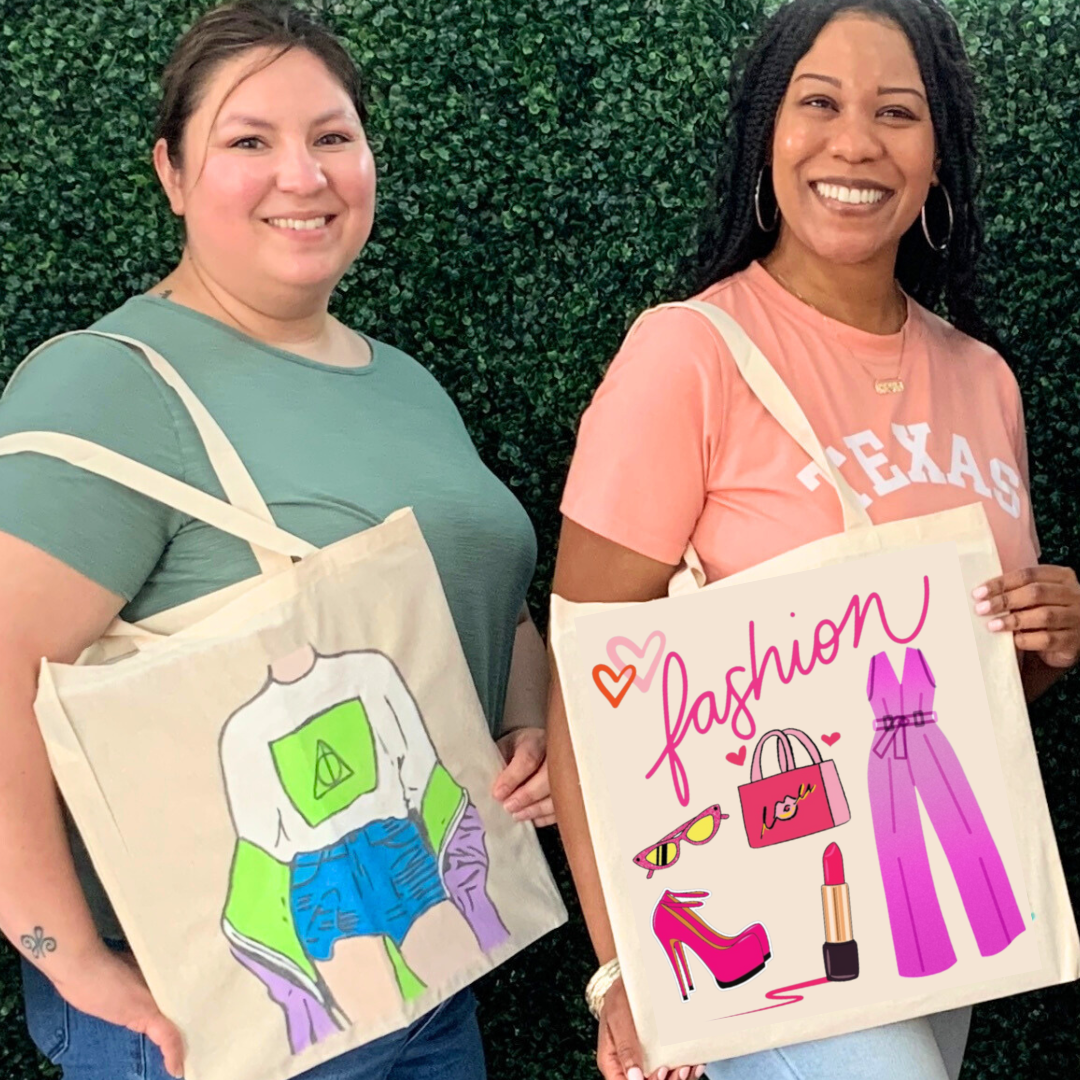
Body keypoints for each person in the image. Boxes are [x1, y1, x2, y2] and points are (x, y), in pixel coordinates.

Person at [0, 3, 555, 1078]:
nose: (302, 175)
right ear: (172, 172)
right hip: (223, 1003)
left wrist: (527, 721)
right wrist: (62, 954)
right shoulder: (108, 384)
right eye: (248, 141)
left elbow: (491, 597)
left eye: (332, 137)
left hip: (427, 964)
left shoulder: (403, 383)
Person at [546, 2, 1080, 1080]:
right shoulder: (686, 355)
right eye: (820, 104)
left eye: (897, 113)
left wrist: (1047, 638)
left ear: (938, 159)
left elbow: (961, 690)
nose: (855, 144)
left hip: (939, 909)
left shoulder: (985, 382)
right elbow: (585, 684)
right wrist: (625, 972)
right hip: (769, 913)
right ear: (766, 135)